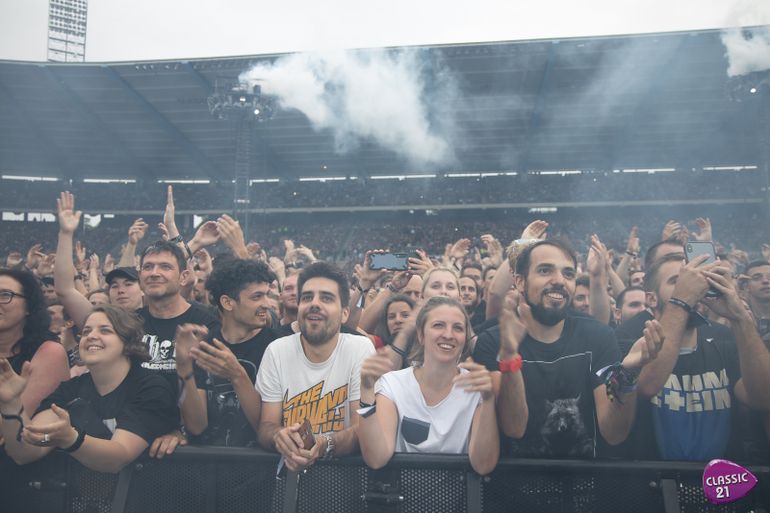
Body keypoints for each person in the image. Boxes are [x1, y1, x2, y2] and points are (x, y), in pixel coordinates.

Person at [472, 239, 663, 457]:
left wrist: (628, 375)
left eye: (568, 274)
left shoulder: (598, 337)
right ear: (520, 281)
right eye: (545, 270)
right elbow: (514, 428)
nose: (559, 281)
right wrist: (509, 354)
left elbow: (614, 433)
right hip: (516, 486)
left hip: (586, 487)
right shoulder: (493, 341)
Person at [0, 305, 178, 473]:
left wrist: (70, 439)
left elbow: (118, 457)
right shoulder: (70, 389)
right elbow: (26, 452)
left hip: (145, 502)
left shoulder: (151, 388)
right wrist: (11, 404)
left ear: (128, 342)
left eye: (105, 330)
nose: (91, 336)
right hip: (84, 503)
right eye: (86, 331)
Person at [631, 254, 770, 460]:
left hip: (722, 483)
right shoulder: (632, 340)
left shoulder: (723, 339)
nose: (692, 287)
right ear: (651, 299)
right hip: (656, 483)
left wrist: (740, 317)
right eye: (678, 281)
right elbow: (647, 386)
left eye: (697, 279)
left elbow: (763, 398)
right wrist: (682, 300)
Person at [357, 296, 499, 475]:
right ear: (421, 335)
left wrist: (488, 400)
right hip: (400, 500)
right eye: (438, 325)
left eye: (458, 328)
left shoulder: (477, 387)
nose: (448, 334)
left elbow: (483, 465)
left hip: (455, 502)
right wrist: (367, 390)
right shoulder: (393, 384)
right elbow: (376, 458)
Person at [256, 262, 374, 472]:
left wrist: (323, 444)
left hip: (344, 483)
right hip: (288, 483)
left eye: (326, 298)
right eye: (307, 297)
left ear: (345, 313)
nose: (314, 304)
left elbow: (362, 429)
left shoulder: (360, 349)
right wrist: (278, 436)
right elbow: (266, 425)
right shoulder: (277, 351)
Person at [176, 259, 279, 447]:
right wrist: (183, 366)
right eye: (257, 297)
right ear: (227, 302)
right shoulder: (205, 347)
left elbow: (267, 428)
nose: (267, 304)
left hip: (259, 469)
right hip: (207, 468)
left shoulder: (278, 346)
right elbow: (196, 426)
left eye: (267, 295)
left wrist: (236, 374)